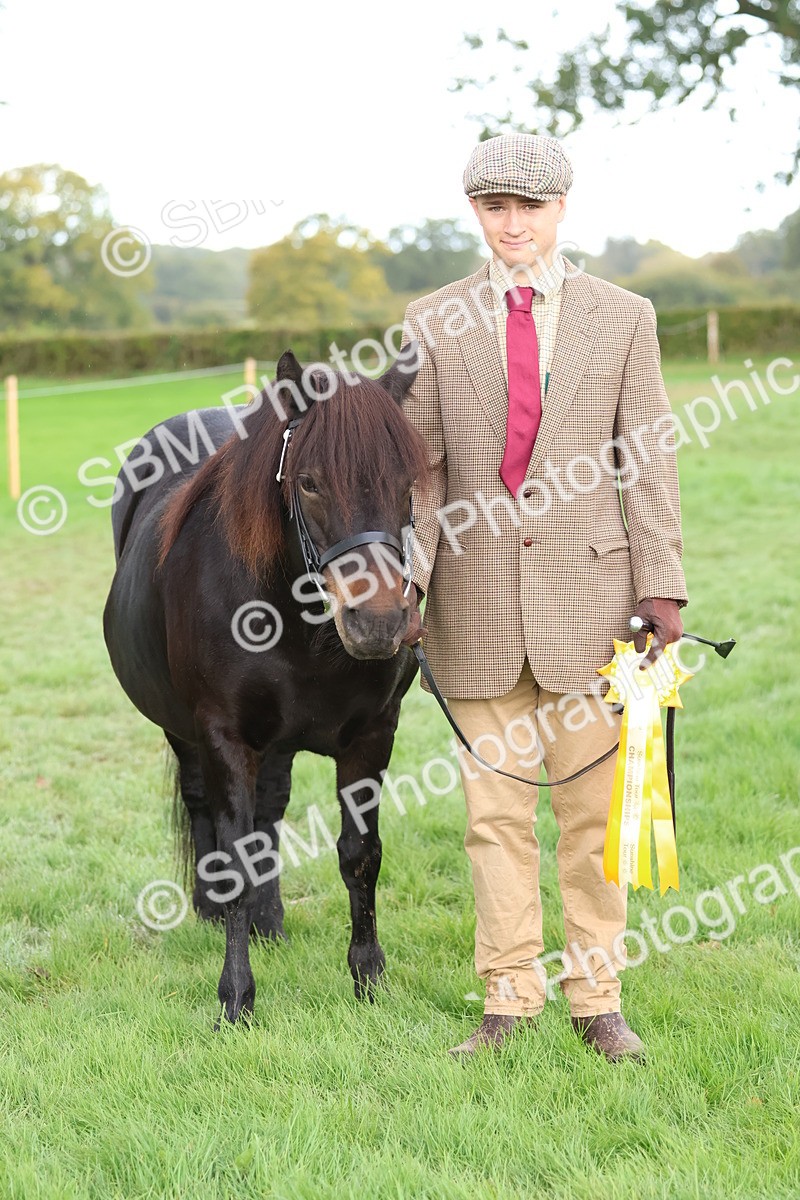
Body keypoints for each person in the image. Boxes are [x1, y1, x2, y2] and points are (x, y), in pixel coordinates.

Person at [400, 133, 688, 1062]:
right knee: (492, 820)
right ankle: (508, 999)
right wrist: (409, 579)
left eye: (530, 206)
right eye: (495, 207)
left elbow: (646, 459)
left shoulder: (624, 317)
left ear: (562, 208)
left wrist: (663, 590)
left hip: (595, 611)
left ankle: (596, 996)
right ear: (475, 213)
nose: (513, 223)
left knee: (592, 818)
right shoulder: (432, 319)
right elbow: (422, 471)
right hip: (474, 610)